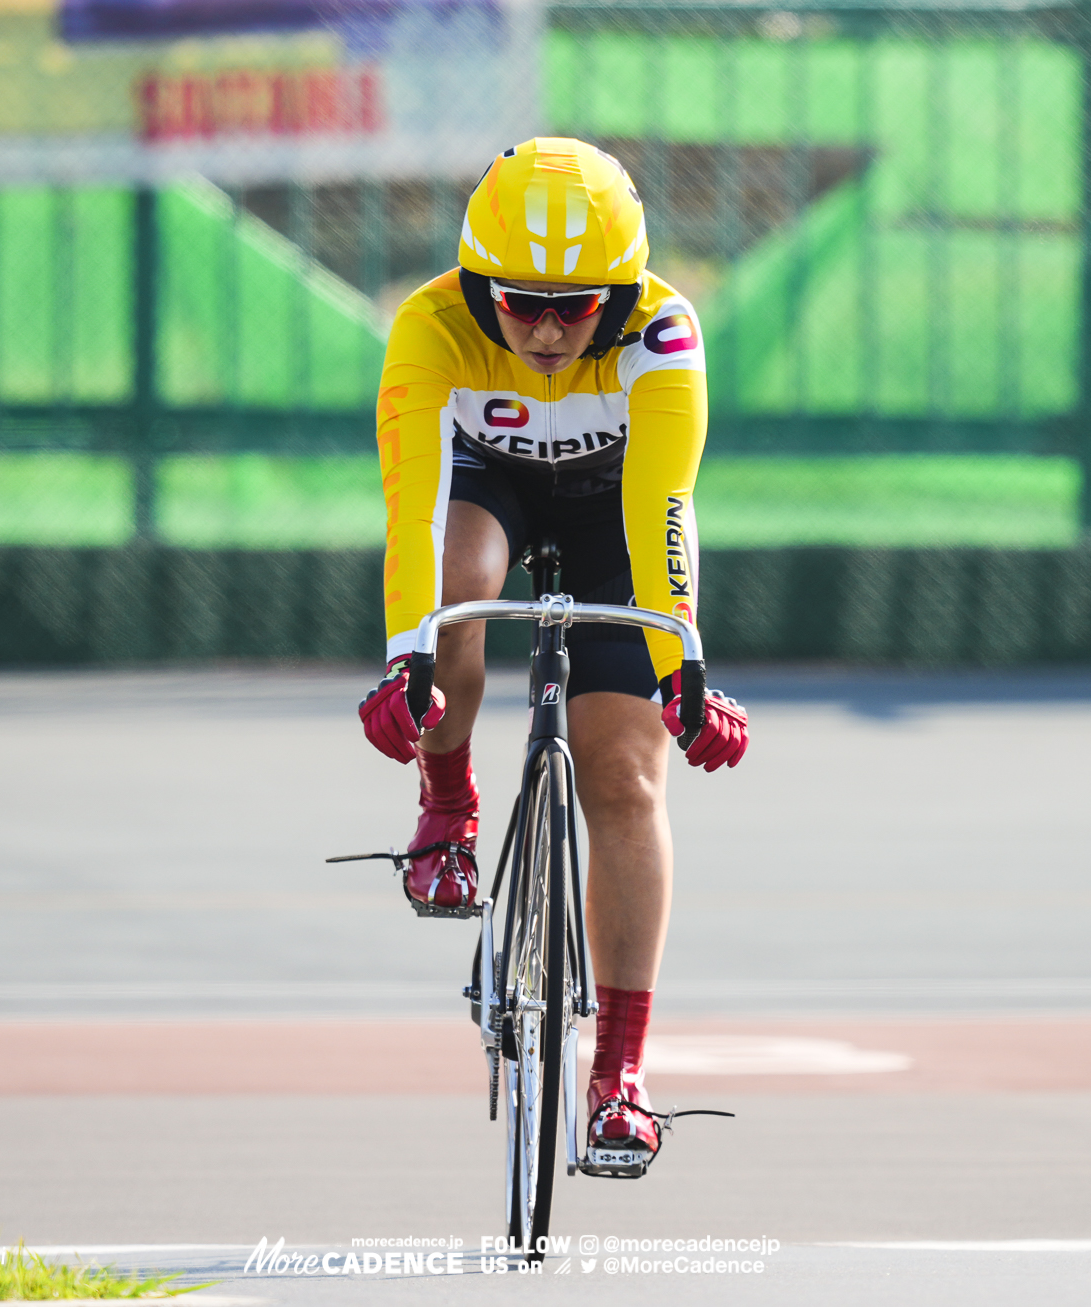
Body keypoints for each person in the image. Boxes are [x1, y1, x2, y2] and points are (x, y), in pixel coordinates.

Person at [356, 137, 749, 1173]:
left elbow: (662, 505)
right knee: (455, 599)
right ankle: (449, 808)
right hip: (485, 484)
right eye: (516, 301)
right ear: (476, 285)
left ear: (619, 298)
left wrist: (684, 671)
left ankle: (618, 1072)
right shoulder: (433, 324)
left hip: (615, 509)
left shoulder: (663, 333)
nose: (538, 329)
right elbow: (413, 507)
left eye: (571, 308)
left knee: (623, 774)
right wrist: (409, 658)